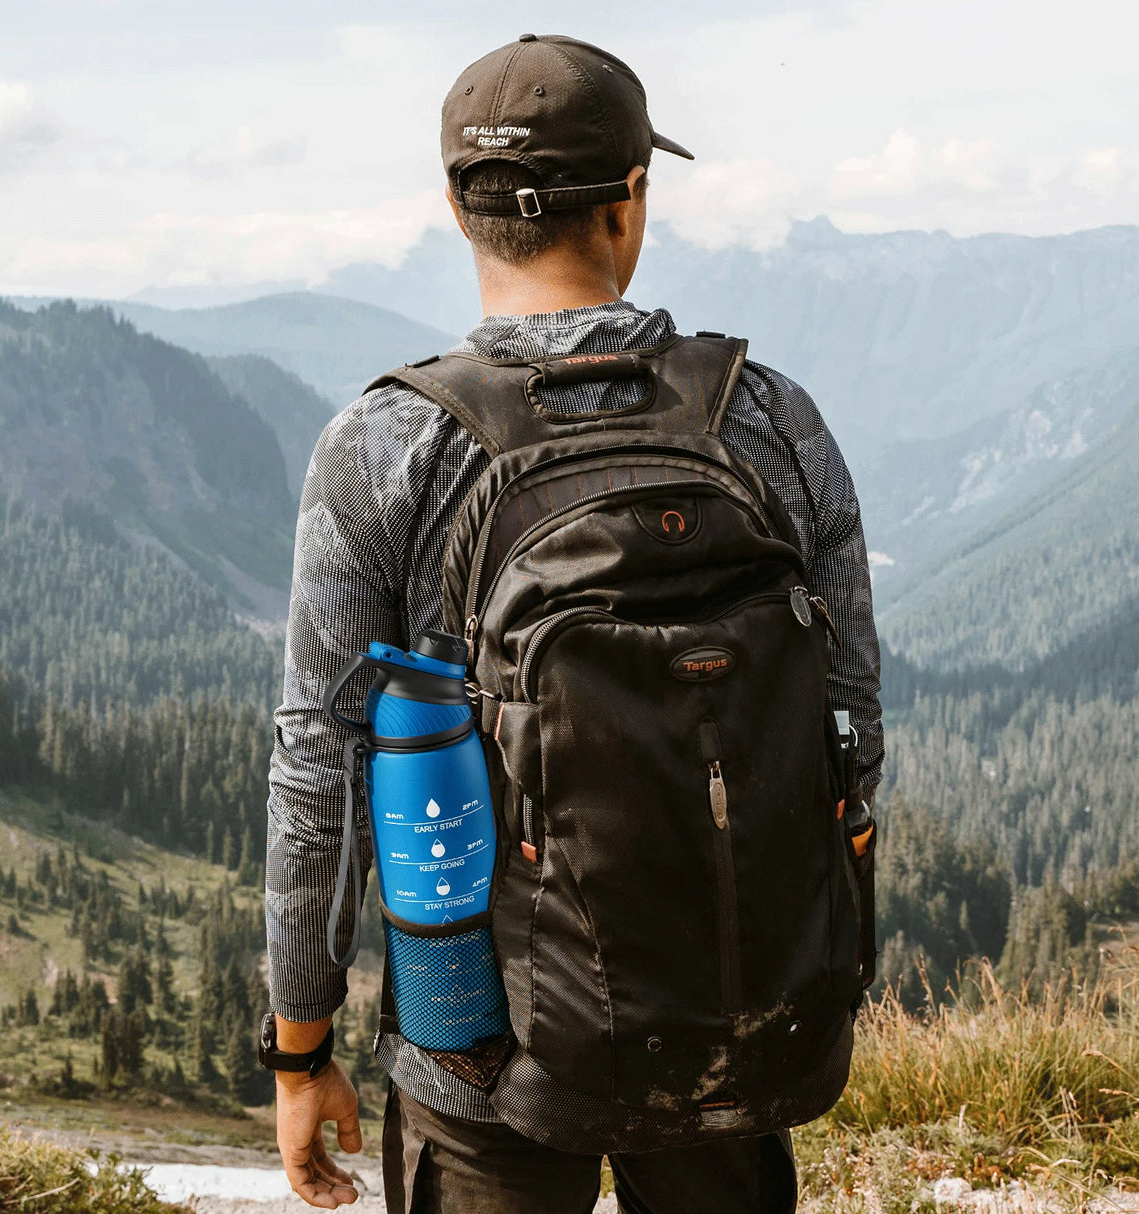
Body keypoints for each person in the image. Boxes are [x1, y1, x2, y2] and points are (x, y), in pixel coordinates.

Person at [261, 33, 883, 1214]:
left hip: (478, 1045)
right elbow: (849, 724)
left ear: (456, 204)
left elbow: (317, 774)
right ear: (632, 195)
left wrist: (299, 1045)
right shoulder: (767, 417)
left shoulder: (389, 443)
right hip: (730, 1018)